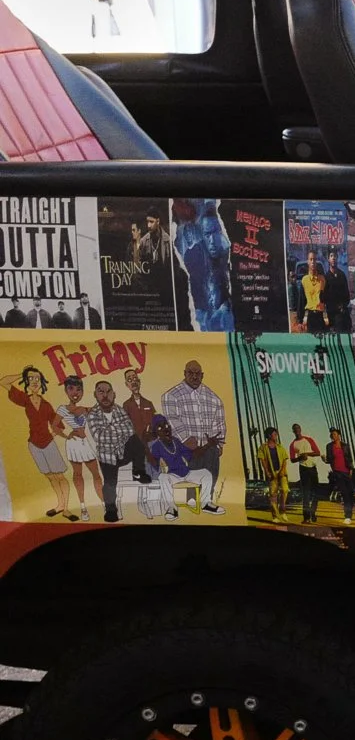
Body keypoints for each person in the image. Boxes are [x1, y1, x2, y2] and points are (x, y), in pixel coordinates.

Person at [159, 359, 227, 514]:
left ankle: (206, 503)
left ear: (202, 375)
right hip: (186, 449)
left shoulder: (214, 398)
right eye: (191, 373)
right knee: (189, 479)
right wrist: (185, 439)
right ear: (185, 373)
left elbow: (219, 422)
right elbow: (171, 419)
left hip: (208, 447)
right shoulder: (172, 395)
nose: (194, 377)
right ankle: (189, 507)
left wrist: (219, 444)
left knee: (210, 474)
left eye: (198, 374)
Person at [9, 366, 74, 518]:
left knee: (60, 476)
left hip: (48, 444)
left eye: (37, 379)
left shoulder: (46, 405)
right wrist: (22, 373)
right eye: (30, 378)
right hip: (34, 444)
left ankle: (66, 508)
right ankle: (60, 505)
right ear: (26, 381)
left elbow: (58, 425)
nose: (34, 381)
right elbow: (4, 382)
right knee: (50, 476)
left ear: (41, 382)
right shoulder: (25, 400)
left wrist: (53, 434)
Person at [170, 199, 234, 332]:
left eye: (215, 233)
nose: (212, 240)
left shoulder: (226, 250)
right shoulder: (192, 253)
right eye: (207, 235)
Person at [87, 380, 133, 524]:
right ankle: (111, 510)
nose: (105, 395)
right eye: (101, 392)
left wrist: (110, 431)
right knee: (110, 482)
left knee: (139, 446)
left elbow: (130, 430)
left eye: (108, 392)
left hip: (123, 452)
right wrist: (119, 431)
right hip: (106, 456)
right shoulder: (93, 414)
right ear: (95, 395)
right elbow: (99, 436)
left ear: (114, 394)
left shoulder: (120, 410)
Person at [55, 374, 100, 520]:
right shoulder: (63, 409)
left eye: (79, 389)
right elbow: (54, 426)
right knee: (78, 475)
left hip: (85, 443)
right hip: (73, 444)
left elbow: (99, 408)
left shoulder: (84, 409)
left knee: (96, 474)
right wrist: (66, 436)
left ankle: (105, 503)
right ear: (66, 390)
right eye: (71, 389)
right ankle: (83, 507)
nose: (75, 392)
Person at [141, 414, 196, 518]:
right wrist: (145, 444)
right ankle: (172, 508)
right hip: (170, 476)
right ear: (155, 432)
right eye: (160, 428)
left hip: (186, 473)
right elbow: (153, 466)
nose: (165, 430)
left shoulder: (176, 441)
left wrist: (207, 446)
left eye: (167, 426)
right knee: (163, 477)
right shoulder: (156, 445)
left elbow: (190, 455)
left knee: (206, 474)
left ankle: (204, 503)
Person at [287, 423, 323, 523]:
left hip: (313, 468)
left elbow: (318, 452)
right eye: (295, 429)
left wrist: (307, 454)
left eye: (298, 428)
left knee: (316, 493)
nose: (297, 430)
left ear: (300, 429)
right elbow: (292, 459)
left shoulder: (309, 439)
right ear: (293, 431)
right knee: (306, 494)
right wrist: (300, 457)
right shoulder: (292, 444)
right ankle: (306, 517)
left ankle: (313, 512)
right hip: (303, 469)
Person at [325, 426, 355, 523]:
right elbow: (329, 459)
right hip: (337, 472)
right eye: (331, 434)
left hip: (347, 471)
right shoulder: (329, 446)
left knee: (351, 493)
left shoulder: (345, 445)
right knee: (344, 493)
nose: (333, 436)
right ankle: (348, 516)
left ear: (339, 435)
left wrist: (351, 470)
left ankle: (349, 513)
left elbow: (350, 458)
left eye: (334, 434)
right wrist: (325, 460)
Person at [258, 425, 287, 517]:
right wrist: (267, 472)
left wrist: (283, 470)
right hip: (271, 473)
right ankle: (275, 515)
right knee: (273, 494)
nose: (276, 436)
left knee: (285, 490)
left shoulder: (280, 447)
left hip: (281, 472)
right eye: (275, 434)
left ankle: (282, 509)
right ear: (269, 435)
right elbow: (262, 460)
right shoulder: (263, 447)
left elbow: (285, 459)